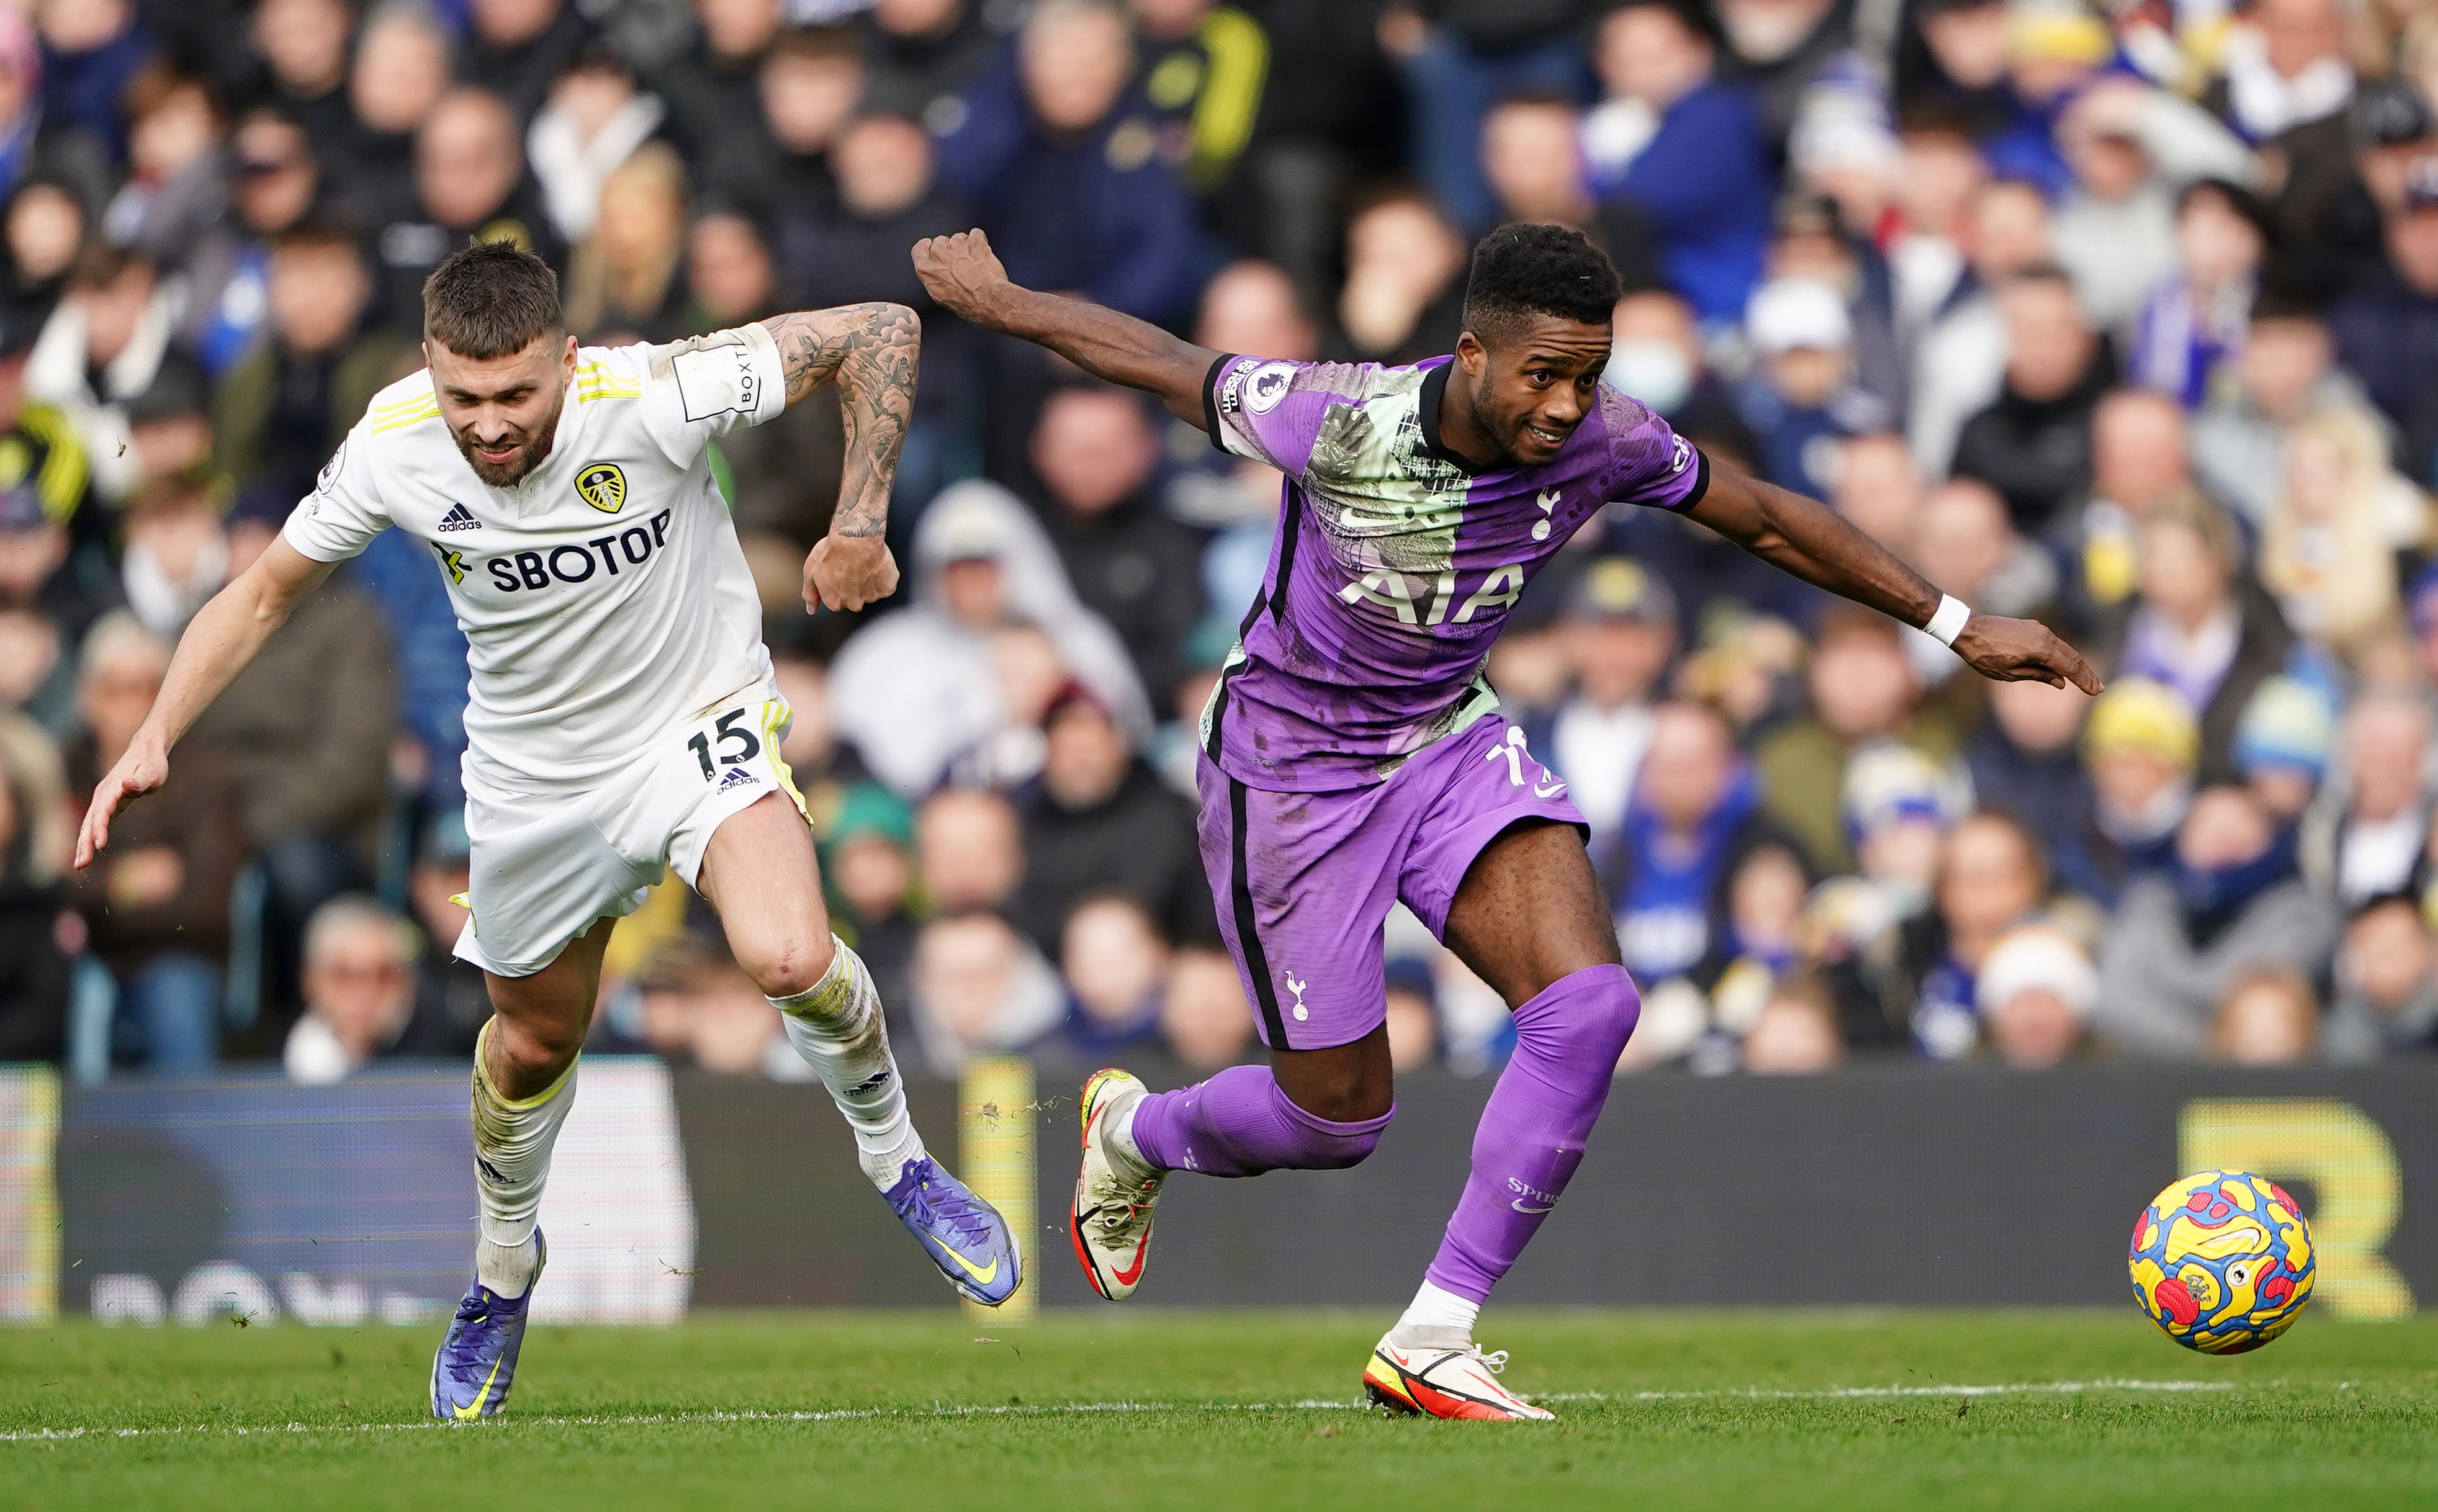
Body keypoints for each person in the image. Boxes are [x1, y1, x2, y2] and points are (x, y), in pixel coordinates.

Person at [914, 220, 2097, 1418]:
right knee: (1337, 1121)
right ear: (1473, 352)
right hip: (1290, 777)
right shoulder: (1337, 419)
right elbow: (1161, 360)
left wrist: (1956, 623)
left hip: (1447, 740)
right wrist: (1005, 301)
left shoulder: (1609, 438)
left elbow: (1769, 517)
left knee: (1591, 1007)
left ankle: (1435, 1332)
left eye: (1589, 374)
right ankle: (1137, 1131)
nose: (1568, 406)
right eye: (1544, 374)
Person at [74, 243, 1020, 1421]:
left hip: (696, 724)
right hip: (531, 777)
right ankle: (503, 1275)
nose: (491, 425)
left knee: (786, 954)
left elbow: (882, 326)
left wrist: (861, 520)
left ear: (567, 362)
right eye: (466, 398)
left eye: (518, 394)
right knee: (532, 1047)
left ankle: (904, 1166)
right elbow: (264, 590)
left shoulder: (654, 391)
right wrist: (157, 730)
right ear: (430, 368)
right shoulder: (393, 442)